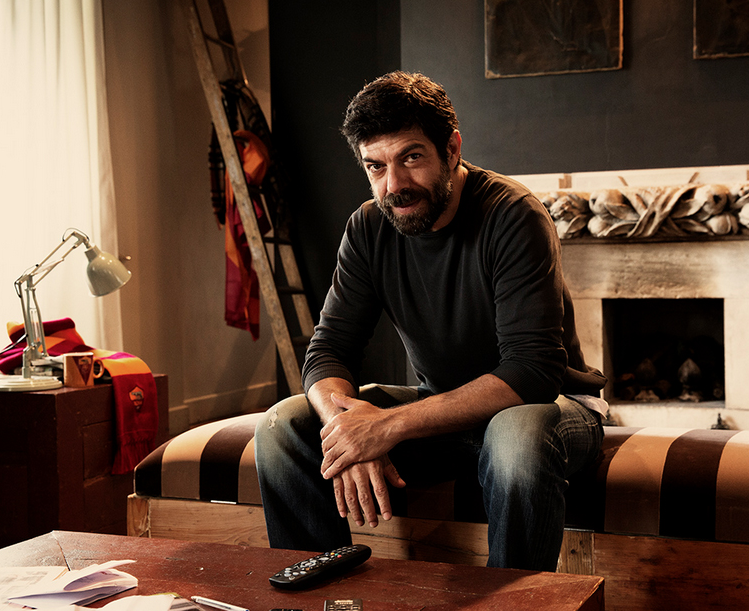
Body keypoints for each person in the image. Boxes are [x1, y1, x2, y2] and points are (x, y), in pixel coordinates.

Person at [254, 71, 607, 571]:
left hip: (551, 409)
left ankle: (510, 604)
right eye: (376, 166)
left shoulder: (514, 215)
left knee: (516, 433)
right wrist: (346, 428)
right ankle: (323, 598)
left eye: (412, 158)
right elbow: (329, 350)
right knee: (283, 426)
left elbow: (533, 371)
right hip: (443, 414)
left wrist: (387, 426)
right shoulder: (368, 227)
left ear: (453, 148)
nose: (394, 185)